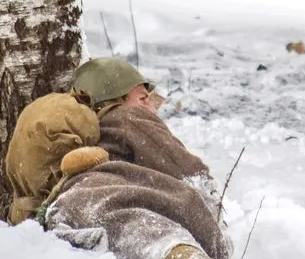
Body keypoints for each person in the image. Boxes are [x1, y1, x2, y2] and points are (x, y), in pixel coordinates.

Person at [43, 58, 233, 259]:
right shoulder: (127, 115)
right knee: (156, 235)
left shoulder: (86, 134)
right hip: (119, 211)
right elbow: (189, 172)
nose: (152, 109)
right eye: (143, 99)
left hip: (68, 209)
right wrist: (213, 210)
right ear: (113, 101)